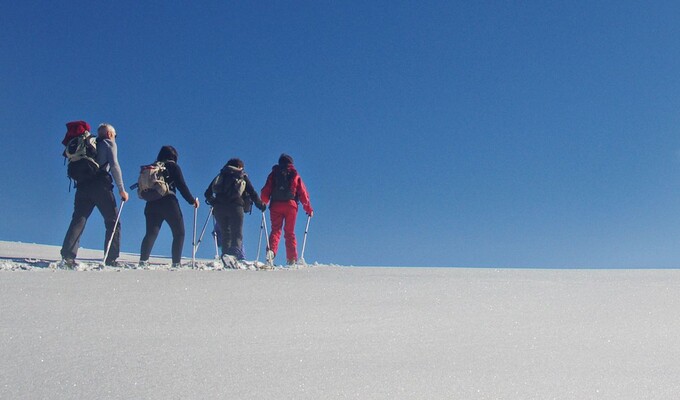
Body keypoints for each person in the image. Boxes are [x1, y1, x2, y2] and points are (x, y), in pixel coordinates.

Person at [60, 123, 129, 268]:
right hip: (101, 185)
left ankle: (68, 256)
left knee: (79, 219)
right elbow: (114, 165)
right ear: (110, 134)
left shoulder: (89, 145)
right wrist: (121, 189)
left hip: (83, 186)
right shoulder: (108, 143)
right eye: (114, 135)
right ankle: (111, 258)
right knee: (113, 222)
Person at [139, 146, 199, 268]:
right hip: (169, 202)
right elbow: (181, 186)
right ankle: (176, 263)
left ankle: (143, 260)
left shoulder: (153, 167)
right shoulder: (173, 166)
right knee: (179, 233)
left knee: (151, 233)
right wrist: (192, 201)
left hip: (151, 203)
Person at [205, 158, 266, 268]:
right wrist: (260, 204)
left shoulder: (221, 175)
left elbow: (207, 193)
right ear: (240, 167)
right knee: (237, 233)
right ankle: (233, 257)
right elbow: (252, 192)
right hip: (236, 207)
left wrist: (214, 202)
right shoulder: (242, 175)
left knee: (225, 233)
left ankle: (225, 257)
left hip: (219, 208)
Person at [260, 154, 313, 265]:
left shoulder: (273, 174)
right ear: (291, 163)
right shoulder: (294, 174)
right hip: (291, 205)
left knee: (275, 230)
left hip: (275, 205)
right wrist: (308, 209)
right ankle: (292, 258)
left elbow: (266, 190)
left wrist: (263, 203)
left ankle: (271, 252)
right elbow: (303, 193)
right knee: (289, 232)